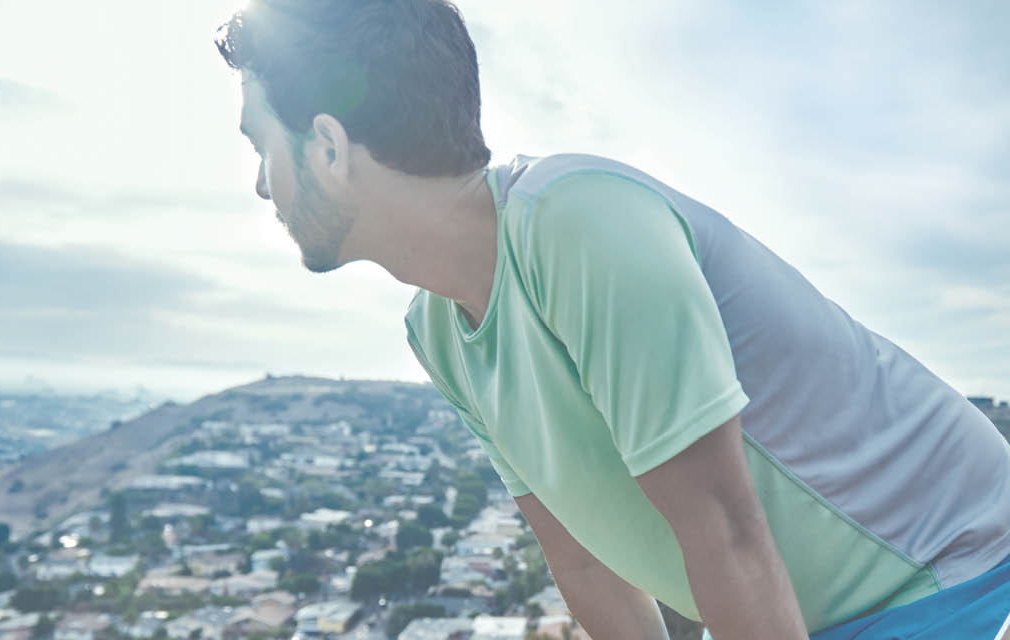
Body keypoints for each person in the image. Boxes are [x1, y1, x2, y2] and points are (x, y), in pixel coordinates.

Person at [214, 1, 1010, 638]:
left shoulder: (575, 219)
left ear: (327, 148)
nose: (259, 184)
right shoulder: (439, 332)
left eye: (261, 146)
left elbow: (725, 533)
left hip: (950, 575)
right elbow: (589, 566)